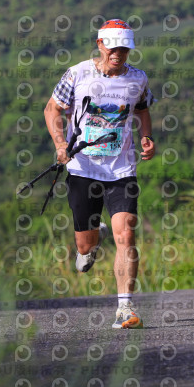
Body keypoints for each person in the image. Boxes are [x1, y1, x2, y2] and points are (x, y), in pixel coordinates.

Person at [44, 19, 155, 329]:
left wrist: (146, 136)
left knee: (127, 233)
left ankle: (125, 308)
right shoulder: (78, 74)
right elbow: (52, 109)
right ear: (100, 44)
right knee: (84, 247)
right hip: (83, 169)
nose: (118, 53)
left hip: (121, 170)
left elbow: (142, 108)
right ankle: (93, 240)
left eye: (124, 48)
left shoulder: (137, 79)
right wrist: (60, 144)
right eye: (112, 47)